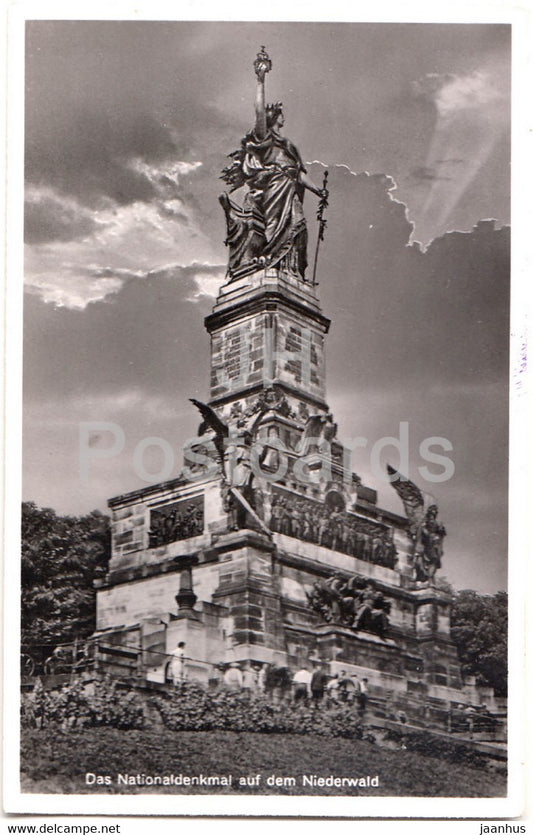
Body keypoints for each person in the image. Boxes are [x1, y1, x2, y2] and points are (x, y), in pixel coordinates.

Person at [220, 47, 326, 280]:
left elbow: (299, 174)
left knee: (299, 227)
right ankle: (270, 261)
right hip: (274, 191)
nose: (282, 115)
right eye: (279, 113)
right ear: (274, 119)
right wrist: (260, 81)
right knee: (274, 228)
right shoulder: (264, 140)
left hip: (290, 192)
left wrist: (318, 191)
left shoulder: (288, 146)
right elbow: (258, 112)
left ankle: (291, 271)